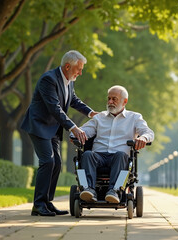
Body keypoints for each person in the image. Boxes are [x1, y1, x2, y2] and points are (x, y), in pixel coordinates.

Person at [21, 50, 98, 216]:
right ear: (68, 66)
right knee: (47, 162)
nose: (81, 72)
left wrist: (91, 113)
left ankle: (47, 202)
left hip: (53, 129)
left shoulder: (69, 80)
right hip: (39, 126)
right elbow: (54, 108)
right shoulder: (48, 79)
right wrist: (73, 127)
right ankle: (38, 205)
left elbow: (74, 100)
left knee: (56, 164)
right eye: (79, 68)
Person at [71, 85, 154, 204]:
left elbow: (148, 132)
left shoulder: (134, 117)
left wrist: (144, 138)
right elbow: (83, 131)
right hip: (98, 156)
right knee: (87, 154)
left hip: (119, 158)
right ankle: (88, 190)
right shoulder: (99, 118)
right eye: (109, 98)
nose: (110, 102)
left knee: (120, 155)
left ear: (124, 101)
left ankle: (114, 191)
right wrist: (74, 135)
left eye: (114, 99)